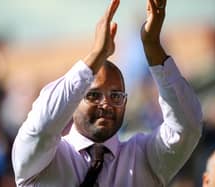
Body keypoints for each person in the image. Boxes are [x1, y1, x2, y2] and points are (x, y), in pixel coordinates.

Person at [12, 0, 203, 186]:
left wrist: (152, 45)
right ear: (73, 101)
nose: (106, 104)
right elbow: (41, 126)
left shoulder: (144, 158)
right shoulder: (43, 160)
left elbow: (186, 127)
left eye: (116, 96)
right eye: (94, 95)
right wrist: (96, 54)